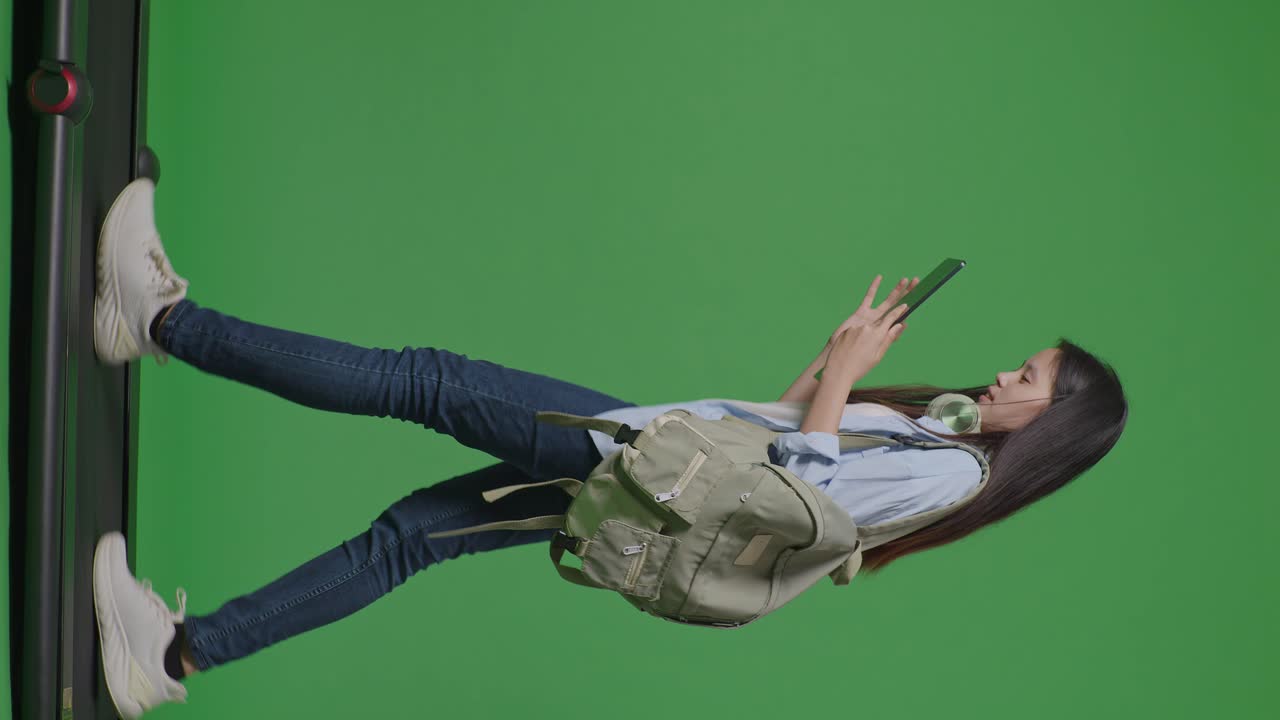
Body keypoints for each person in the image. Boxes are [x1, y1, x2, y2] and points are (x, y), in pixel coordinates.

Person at [90, 178, 1127, 719]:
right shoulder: (936, 439)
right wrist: (828, 362)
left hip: (630, 465)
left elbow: (801, 506)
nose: (1003, 378)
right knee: (409, 537)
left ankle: (163, 324)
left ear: (1050, 425)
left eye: (1027, 380)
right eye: (1019, 365)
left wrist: (849, 380)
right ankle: (175, 655)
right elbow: (767, 438)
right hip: (656, 468)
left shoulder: (951, 470)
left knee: (423, 381)